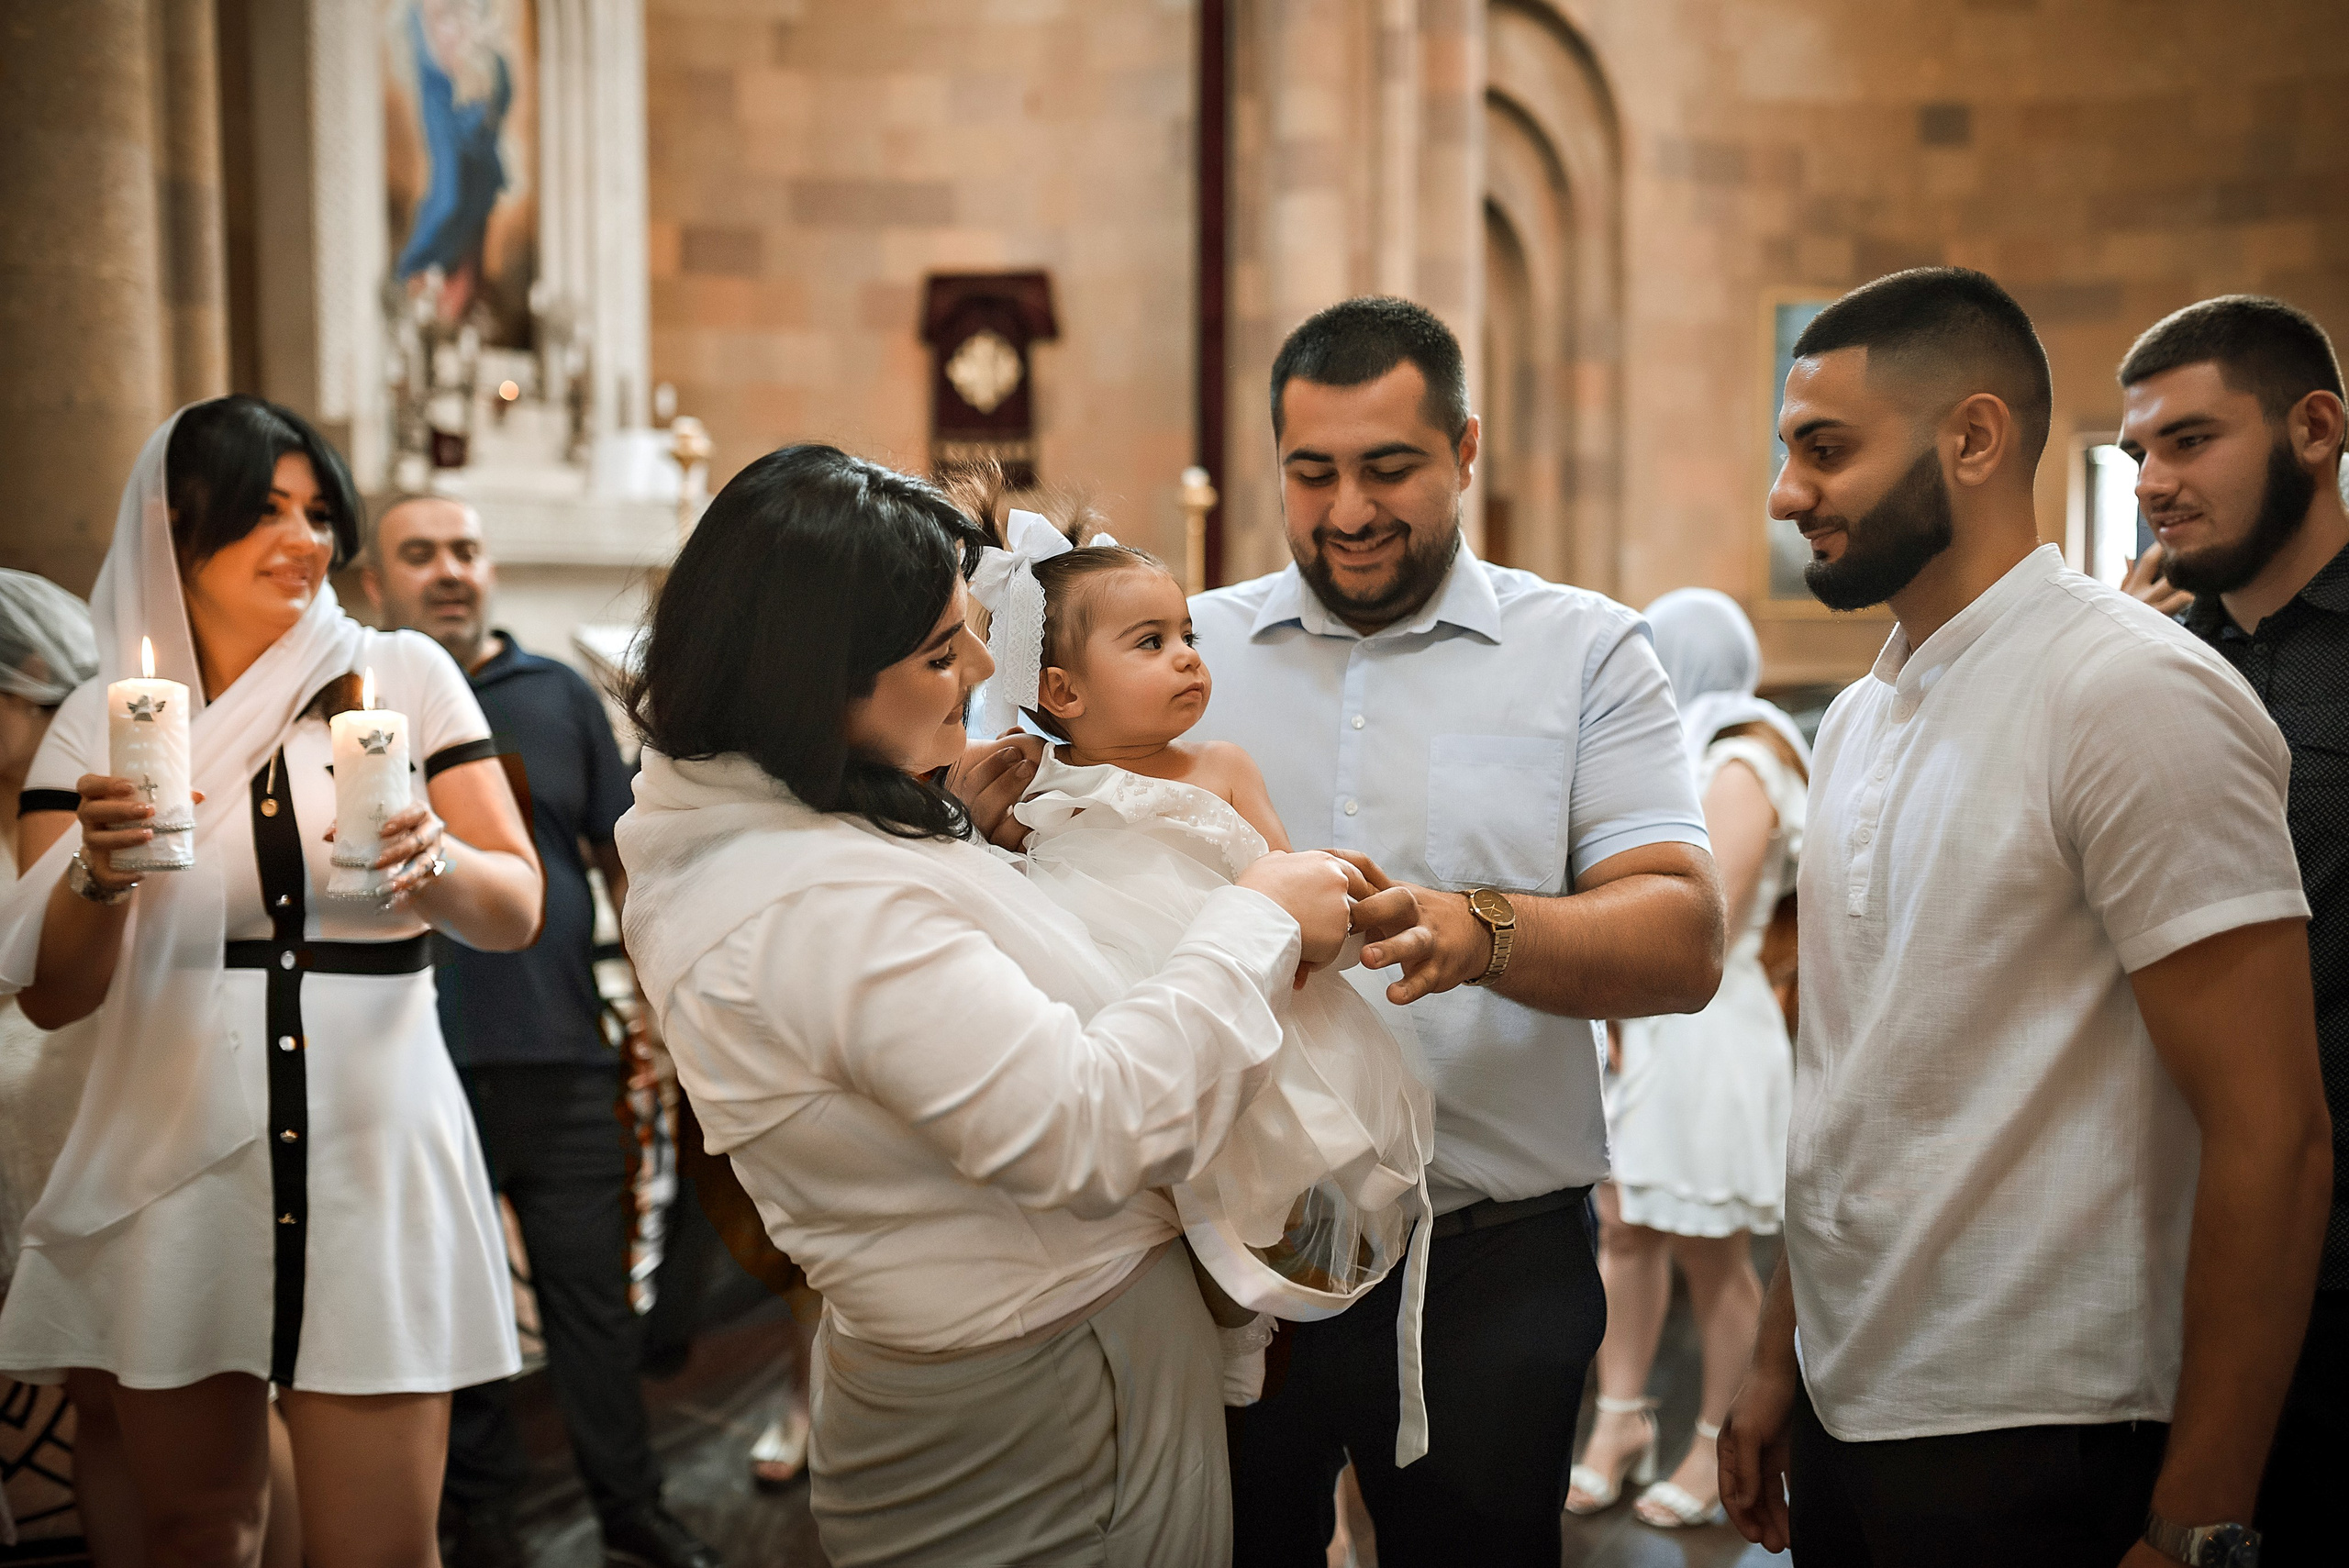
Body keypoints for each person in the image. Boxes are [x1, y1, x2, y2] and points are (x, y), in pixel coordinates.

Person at [615, 442, 1371, 1568]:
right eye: (935, 649)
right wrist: (1257, 913)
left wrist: (957, 839)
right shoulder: (811, 905)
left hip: (1038, 1372)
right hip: (1053, 1409)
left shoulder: (783, 826)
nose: (980, 660)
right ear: (807, 682)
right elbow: (1084, 1123)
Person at [1717, 268, 2332, 1568]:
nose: (1786, 494)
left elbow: (2273, 1133)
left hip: (2052, 1429)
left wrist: (2197, 1522)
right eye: (1788, 453)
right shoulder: (1870, 710)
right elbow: (1849, 1080)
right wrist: (1781, 1355)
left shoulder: (2127, 689)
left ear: (1975, 439)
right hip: (1858, 1403)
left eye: (1825, 451)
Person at [1183, 296, 1727, 1565]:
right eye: (1311, 473)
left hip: (1488, 1266)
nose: (1349, 511)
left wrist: (1482, 929)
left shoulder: (1587, 653)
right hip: (1230, 1265)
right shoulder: (1187, 649)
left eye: (1390, 468)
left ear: (1467, 451)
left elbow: (1686, 936)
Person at [0, 395, 544, 1567]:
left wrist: (432, 859)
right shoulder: (101, 721)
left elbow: (518, 906)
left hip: (375, 1145)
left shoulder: (403, 670)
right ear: (176, 528)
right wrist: (96, 872)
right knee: (197, 1528)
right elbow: (53, 996)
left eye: (318, 512)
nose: (306, 539)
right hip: (175, 1154)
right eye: (266, 512)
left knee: (382, 1545)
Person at [968, 503, 1434, 1424]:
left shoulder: (1219, 765)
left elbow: (1287, 881)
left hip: (1262, 1018)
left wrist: (1340, 908)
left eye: (1187, 633)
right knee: (1174, 1211)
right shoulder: (1032, 784)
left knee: (1280, 1175)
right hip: (1139, 1029)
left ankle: (1255, 1340)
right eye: (1149, 641)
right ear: (1059, 690)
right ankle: (1213, 1362)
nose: (1187, 654)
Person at [360, 495, 718, 1568]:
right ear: (373, 583)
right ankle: (486, 1523)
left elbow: (624, 860)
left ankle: (631, 1511)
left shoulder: (555, 692)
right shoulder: (360, 697)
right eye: (419, 554)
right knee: (448, 1305)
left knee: (592, 1305)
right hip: (414, 1061)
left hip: (562, 1048)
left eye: (465, 550)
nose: (450, 571)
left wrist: (663, 1006)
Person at [2116, 295, 2349, 1566]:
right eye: (2136, 453)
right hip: (2146, 1262)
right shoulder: (2144, 658)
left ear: (2314, 429)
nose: (2153, 481)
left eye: (2189, 441)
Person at [1567, 586, 1805, 1529]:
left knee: (1713, 1254)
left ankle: (1718, 1438)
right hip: (1641, 1025)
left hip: (1706, 1029)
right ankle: (1617, 1423)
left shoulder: (1745, 755)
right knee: (1624, 1227)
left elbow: (1696, 917)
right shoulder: (1682, 750)